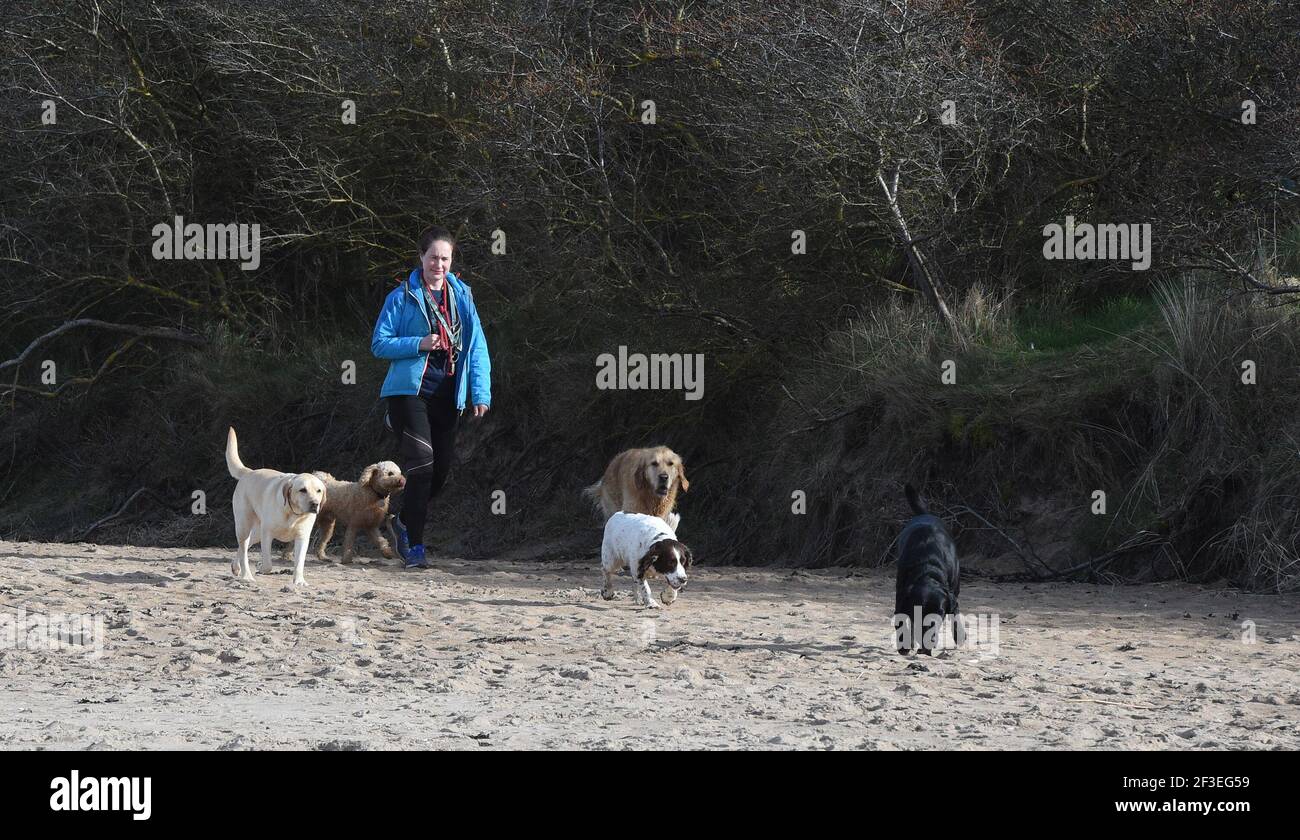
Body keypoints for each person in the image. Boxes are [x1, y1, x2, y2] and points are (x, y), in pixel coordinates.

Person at [371, 225, 491, 568]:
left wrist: (480, 391)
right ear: (421, 258)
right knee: (421, 466)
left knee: (440, 472)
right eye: (433, 257)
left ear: (451, 261)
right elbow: (379, 343)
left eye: (445, 258)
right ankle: (415, 546)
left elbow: (477, 346)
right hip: (409, 392)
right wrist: (418, 343)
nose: (438, 264)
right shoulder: (402, 296)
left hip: (449, 393)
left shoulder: (463, 296)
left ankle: (404, 520)